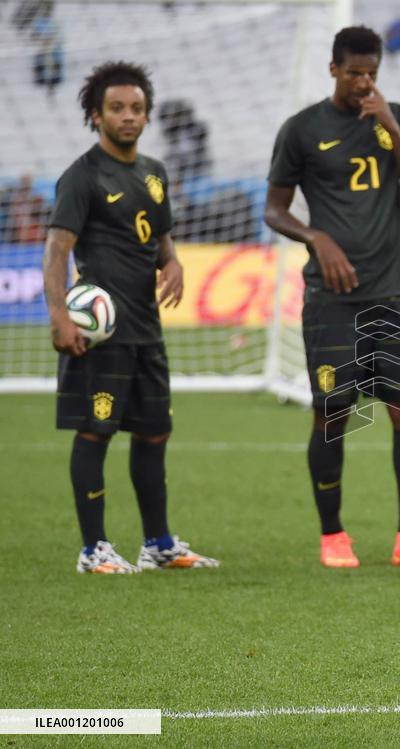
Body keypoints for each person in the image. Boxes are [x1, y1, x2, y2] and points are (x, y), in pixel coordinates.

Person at [265, 26, 400, 570]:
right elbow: (274, 209)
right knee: (333, 411)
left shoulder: (394, 118)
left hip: (396, 290)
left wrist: (391, 125)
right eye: (354, 73)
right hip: (332, 298)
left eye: (372, 73)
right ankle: (332, 535)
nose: (364, 82)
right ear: (333, 69)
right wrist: (317, 238)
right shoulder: (302, 129)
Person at [42, 61, 219, 574]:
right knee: (95, 432)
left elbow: (159, 234)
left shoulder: (154, 173)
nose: (128, 117)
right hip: (101, 334)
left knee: (153, 432)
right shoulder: (82, 177)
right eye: (117, 108)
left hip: (147, 329)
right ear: (96, 115)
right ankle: (93, 548)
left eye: (137, 108)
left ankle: (158, 543)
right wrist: (60, 315)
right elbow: (57, 250)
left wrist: (174, 261)